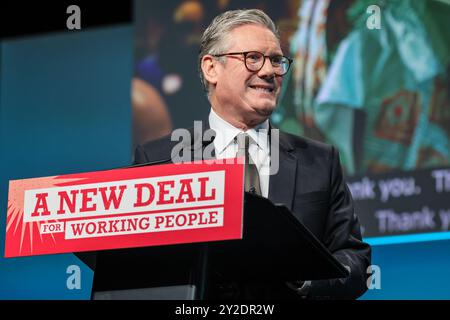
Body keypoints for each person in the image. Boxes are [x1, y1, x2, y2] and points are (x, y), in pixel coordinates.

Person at [134, 9, 371, 300]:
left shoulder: (321, 161)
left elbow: (355, 260)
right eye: (253, 58)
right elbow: (138, 264)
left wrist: (305, 281)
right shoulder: (159, 159)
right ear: (211, 68)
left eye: (276, 60)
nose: (270, 71)